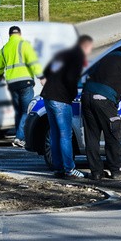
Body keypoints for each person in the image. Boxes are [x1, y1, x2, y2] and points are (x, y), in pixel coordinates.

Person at [81, 43, 121, 181]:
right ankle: (117, 170)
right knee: (112, 135)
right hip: (104, 100)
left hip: (86, 96)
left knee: (92, 137)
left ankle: (96, 172)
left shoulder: (104, 58)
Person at [41, 35, 94, 179]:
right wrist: (73, 94)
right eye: (90, 48)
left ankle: (58, 168)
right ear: (85, 46)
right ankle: (70, 169)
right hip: (61, 98)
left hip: (48, 96)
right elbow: (71, 79)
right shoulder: (77, 57)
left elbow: (46, 72)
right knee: (65, 135)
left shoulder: (62, 55)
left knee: (55, 134)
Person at [0, 26, 42, 147]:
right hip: (25, 83)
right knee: (26, 111)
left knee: (18, 111)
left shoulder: (4, 49)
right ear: (19, 34)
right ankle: (20, 137)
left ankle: (20, 136)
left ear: (9, 35)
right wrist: (41, 76)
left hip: (12, 84)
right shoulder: (24, 45)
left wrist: (0, 75)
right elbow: (33, 62)